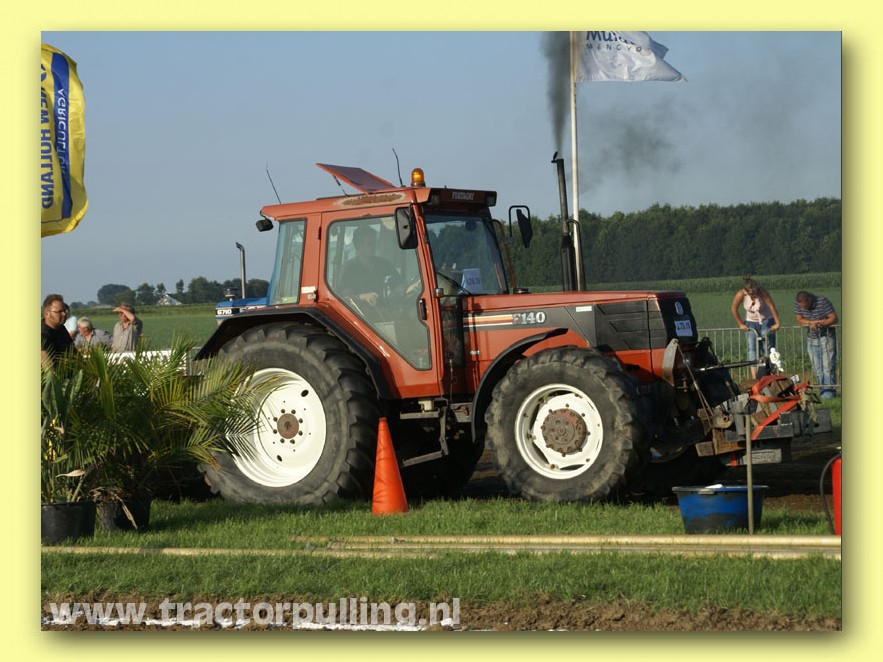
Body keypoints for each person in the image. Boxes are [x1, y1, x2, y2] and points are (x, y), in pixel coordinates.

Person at [337, 226, 401, 311]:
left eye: (375, 242)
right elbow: (346, 297)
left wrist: (407, 289)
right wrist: (363, 297)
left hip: (385, 312)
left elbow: (399, 286)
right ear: (358, 245)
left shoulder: (384, 265)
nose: (374, 246)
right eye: (370, 243)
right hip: (358, 315)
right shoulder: (349, 269)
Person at [730, 276, 781, 377]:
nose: (753, 295)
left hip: (766, 319)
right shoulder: (741, 294)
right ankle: (754, 376)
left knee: (768, 347)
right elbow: (734, 308)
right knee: (752, 347)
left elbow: (772, 306)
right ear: (745, 291)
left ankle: (769, 373)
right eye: (751, 294)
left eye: (754, 293)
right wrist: (741, 324)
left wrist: (777, 323)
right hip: (751, 322)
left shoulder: (762, 292)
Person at [793, 290, 838, 399]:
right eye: (801, 307)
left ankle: (829, 391)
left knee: (828, 366)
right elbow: (799, 319)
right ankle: (822, 389)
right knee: (817, 367)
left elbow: (833, 318)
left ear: (809, 300)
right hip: (811, 338)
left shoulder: (822, 302)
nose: (803, 309)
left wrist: (820, 323)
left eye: (805, 306)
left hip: (826, 337)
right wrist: (810, 323)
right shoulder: (797, 304)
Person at [41, 294, 74, 370]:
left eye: (65, 310)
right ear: (47, 314)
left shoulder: (61, 328)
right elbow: (48, 369)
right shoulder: (42, 334)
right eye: (59, 311)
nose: (64, 314)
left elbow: (73, 353)